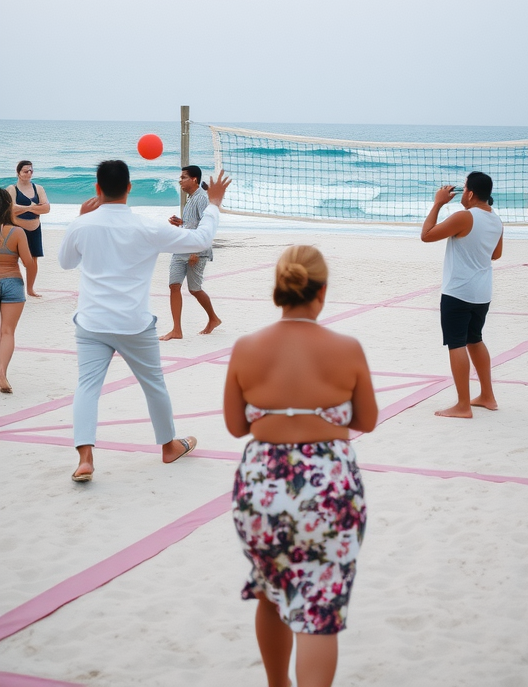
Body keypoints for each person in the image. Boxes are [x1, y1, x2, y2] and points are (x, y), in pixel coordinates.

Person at [224, 245, 377, 687]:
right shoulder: (346, 348)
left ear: (279, 287)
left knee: (272, 591)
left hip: (262, 484)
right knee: (319, 607)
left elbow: (236, 426)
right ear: (322, 291)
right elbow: (366, 419)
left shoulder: (247, 347)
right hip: (328, 485)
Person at [58, 160, 231, 483]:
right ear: (129, 187)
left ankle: (85, 459)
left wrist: (79, 220)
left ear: (97, 189)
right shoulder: (145, 227)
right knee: (154, 385)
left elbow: (66, 262)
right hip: (134, 323)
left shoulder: (82, 225)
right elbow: (200, 240)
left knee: (87, 388)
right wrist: (215, 205)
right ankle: (168, 447)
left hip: (92, 322)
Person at [421, 171, 503, 419]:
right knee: (475, 340)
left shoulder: (464, 217)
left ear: (469, 193)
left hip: (458, 291)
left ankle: (463, 405)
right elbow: (495, 255)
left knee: (456, 343)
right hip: (482, 292)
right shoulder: (496, 219)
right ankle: (487, 396)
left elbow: (426, 235)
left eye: (465, 187)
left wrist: (437, 202)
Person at [160, 165, 221, 339]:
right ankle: (176, 330)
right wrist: (181, 223)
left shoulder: (202, 198)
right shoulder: (191, 198)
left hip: (196, 250)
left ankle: (213, 318)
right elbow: (193, 223)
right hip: (182, 247)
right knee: (174, 285)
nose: (180, 180)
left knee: (194, 289)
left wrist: (196, 250)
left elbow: (206, 226)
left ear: (194, 179)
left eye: (183, 177)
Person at [0, 188, 35, 393]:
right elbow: (28, 262)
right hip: (12, 281)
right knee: (7, 332)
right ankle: (2, 373)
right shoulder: (17, 232)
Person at [7, 161, 50, 297]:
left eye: (31, 170)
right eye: (26, 171)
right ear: (18, 173)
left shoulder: (38, 188)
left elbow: (46, 208)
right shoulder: (12, 189)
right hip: (17, 229)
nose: (29, 173)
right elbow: (11, 210)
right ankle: (12, 289)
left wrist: (24, 208)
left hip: (35, 228)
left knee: (33, 260)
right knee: (13, 260)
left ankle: (30, 289)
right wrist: (33, 207)